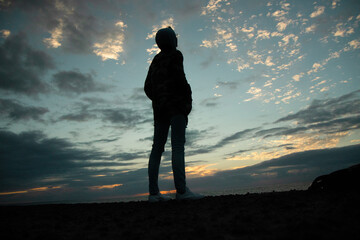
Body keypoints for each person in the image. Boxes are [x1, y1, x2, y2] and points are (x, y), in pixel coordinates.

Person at [144, 26, 204, 202]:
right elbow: (180, 79)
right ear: (171, 40)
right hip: (176, 107)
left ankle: (153, 194)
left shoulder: (155, 60)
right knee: (177, 147)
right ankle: (182, 191)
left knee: (157, 149)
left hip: (160, 110)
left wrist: (158, 99)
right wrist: (187, 101)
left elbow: (147, 86)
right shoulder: (176, 55)